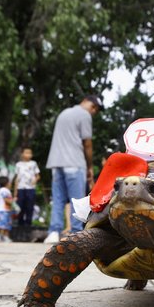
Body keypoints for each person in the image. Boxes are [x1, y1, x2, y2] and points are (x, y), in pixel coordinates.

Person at [45, 95, 103, 243]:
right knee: (75, 200)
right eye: (95, 110)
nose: (93, 113)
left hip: (56, 163)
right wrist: (90, 166)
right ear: (93, 106)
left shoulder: (64, 113)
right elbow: (87, 143)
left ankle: (53, 232)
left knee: (58, 199)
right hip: (74, 163)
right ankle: (75, 233)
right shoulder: (84, 115)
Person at [14, 147, 40, 227]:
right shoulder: (18, 164)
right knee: (20, 205)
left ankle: (28, 223)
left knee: (30, 206)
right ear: (22, 154)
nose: (29, 155)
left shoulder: (33, 163)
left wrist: (34, 181)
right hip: (21, 188)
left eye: (30, 153)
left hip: (30, 188)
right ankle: (20, 222)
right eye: (26, 153)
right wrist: (15, 192)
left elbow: (38, 176)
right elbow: (17, 178)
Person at [0, 176, 14, 243]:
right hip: (2, 210)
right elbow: (6, 199)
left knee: (7, 224)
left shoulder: (5, 190)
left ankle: (5, 236)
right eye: (9, 182)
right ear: (7, 183)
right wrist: (13, 203)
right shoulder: (4, 190)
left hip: (7, 210)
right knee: (2, 224)